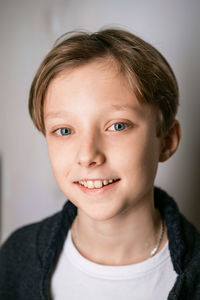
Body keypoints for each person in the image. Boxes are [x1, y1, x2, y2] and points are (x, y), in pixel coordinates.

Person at [0, 28, 200, 300]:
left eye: (117, 126)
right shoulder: (15, 256)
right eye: (65, 130)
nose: (87, 155)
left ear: (166, 140)